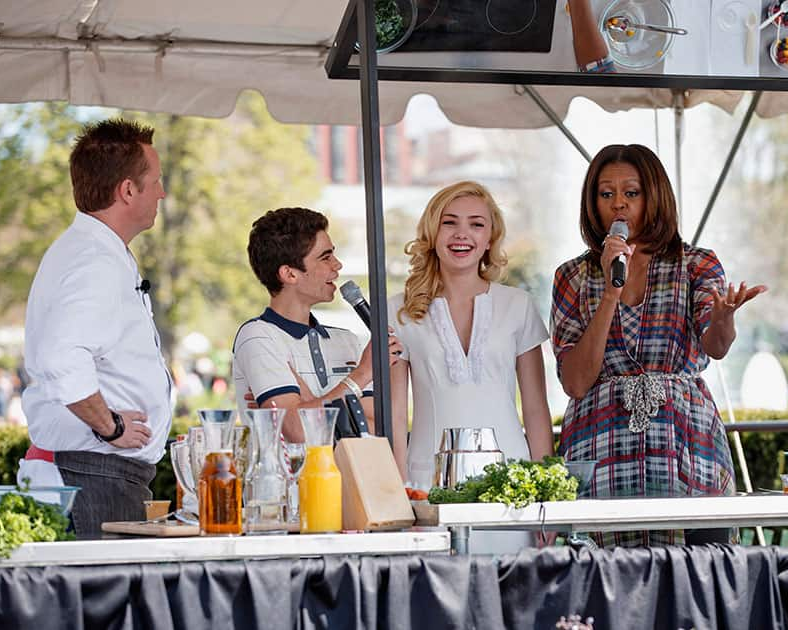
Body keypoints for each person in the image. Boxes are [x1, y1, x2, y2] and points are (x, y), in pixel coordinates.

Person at [551, 144, 765, 547]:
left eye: (631, 193)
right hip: (600, 446)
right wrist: (610, 293)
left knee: (699, 578)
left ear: (655, 196)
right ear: (591, 203)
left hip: (687, 441)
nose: (618, 205)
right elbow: (576, 382)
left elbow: (716, 347)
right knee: (607, 587)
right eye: (606, 193)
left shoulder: (696, 264)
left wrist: (724, 317)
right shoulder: (573, 276)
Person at [18, 118, 172, 538]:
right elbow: (62, 358)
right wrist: (111, 427)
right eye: (156, 181)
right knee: (103, 603)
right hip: (92, 474)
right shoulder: (95, 261)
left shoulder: (94, 251)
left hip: (95, 471)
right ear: (127, 190)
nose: (162, 192)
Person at [388, 181, 555, 535]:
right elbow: (395, 413)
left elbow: (537, 410)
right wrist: (398, 492)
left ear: (491, 237)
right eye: (450, 222)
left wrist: (545, 502)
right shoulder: (398, 311)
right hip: (427, 485)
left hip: (513, 489)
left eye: (476, 224)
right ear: (432, 232)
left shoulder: (517, 305)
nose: (462, 234)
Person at [233, 207, 402, 440]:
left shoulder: (348, 341)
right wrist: (361, 374)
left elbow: (374, 432)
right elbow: (297, 430)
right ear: (290, 274)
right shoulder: (257, 337)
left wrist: (308, 402)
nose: (338, 265)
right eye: (325, 257)